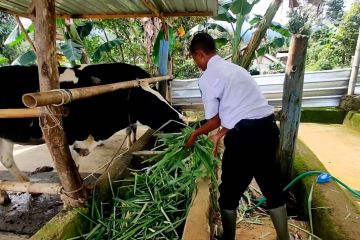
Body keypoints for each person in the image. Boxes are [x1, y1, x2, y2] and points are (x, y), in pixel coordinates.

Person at [186, 32, 292, 240]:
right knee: (271, 186)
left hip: (244, 138)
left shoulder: (208, 77)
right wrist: (220, 135)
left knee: (229, 192)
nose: (196, 63)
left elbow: (214, 120)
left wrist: (195, 134)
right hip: (269, 130)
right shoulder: (237, 70)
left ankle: (228, 237)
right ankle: (284, 237)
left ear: (199, 54)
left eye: (194, 58)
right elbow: (243, 110)